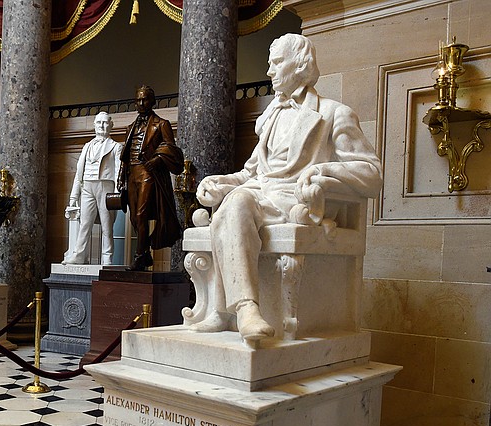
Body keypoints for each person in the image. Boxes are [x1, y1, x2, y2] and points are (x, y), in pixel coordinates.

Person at [192, 33, 383, 341]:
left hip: (295, 202)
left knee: (237, 203)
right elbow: (251, 173)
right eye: (270, 64)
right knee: (236, 199)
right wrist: (220, 182)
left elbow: (372, 174)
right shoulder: (269, 117)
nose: (269, 71)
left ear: (301, 65)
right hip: (259, 196)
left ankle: (240, 310)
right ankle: (240, 311)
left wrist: (323, 170)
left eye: (277, 62)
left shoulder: (334, 114)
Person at [118, 85, 184, 271]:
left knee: (142, 215)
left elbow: (171, 148)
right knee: (134, 218)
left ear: (152, 101)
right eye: (138, 100)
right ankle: (145, 253)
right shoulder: (131, 127)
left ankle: (139, 256)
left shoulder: (161, 124)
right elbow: (125, 154)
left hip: (148, 172)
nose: (141, 103)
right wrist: (121, 177)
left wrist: (157, 160)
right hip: (132, 173)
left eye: (145, 99)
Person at [63, 112, 122, 266]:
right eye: (99, 123)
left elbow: (118, 172)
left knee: (107, 224)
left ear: (111, 125)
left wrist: (117, 192)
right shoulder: (87, 146)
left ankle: (107, 257)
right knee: (85, 224)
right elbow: (79, 173)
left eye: (105, 122)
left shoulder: (116, 147)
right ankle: (79, 255)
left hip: (106, 186)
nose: (102, 125)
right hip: (87, 186)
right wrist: (73, 197)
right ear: (94, 125)